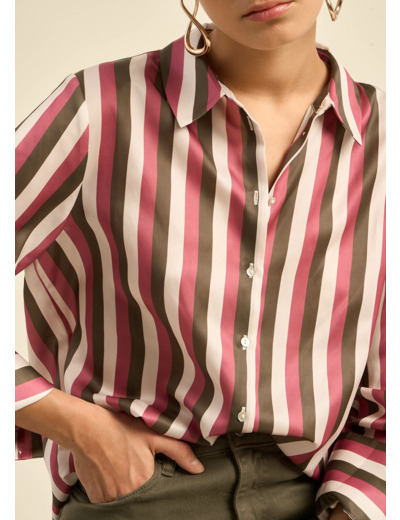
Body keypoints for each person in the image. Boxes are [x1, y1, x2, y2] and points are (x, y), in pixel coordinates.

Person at [15, 0, 385, 519]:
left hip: (320, 495)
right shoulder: (97, 108)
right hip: (145, 495)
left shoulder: (385, 142)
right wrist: (79, 427)